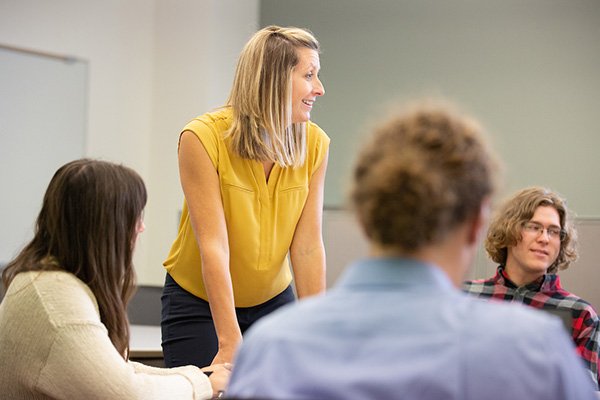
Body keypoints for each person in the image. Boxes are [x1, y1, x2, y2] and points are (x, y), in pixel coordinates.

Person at [225, 99, 598, 399]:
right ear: (476, 225)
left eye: (554, 232)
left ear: (364, 218)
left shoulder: (271, 349)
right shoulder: (537, 353)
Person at [161, 25, 329, 369]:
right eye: (309, 75)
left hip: (271, 301)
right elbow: (214, 246)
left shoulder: (314, 144)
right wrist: (229, 341)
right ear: (273, 79)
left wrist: (318, 335)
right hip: (200, 303)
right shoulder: (203, 138)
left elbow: (308, 247)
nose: (319, 89)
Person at [0, 159, 230, 399]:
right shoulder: (56, 302)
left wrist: (200, 377)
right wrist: (206, 385)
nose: (141, 228)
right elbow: (125, 392)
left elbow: (117, 371)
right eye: (134, 218)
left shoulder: (48, 283)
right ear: (106, 227)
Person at [464, 186, 600, 389]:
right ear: (510, 229)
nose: (544, 238)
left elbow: (582, 393)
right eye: (534, 227)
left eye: (554, 231)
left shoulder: (581, 315)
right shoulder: (464, 297)